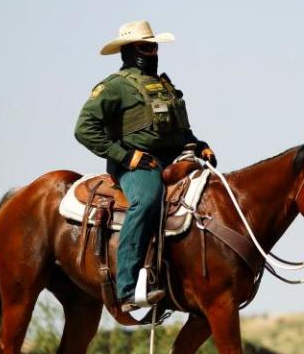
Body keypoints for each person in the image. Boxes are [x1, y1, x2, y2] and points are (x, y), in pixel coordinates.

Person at [74, 20, 216, 310]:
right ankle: (126, 288)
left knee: (210, 195)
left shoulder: (164, 85)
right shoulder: (114, 87)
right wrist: (127, 156)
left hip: (175, 158)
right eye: (145, 46)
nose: (152, 52)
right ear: (129, 50)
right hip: (137, 165)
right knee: (147, 200)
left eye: (154, 46)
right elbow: (84, 129)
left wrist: (200, 144)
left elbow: (178, 130)